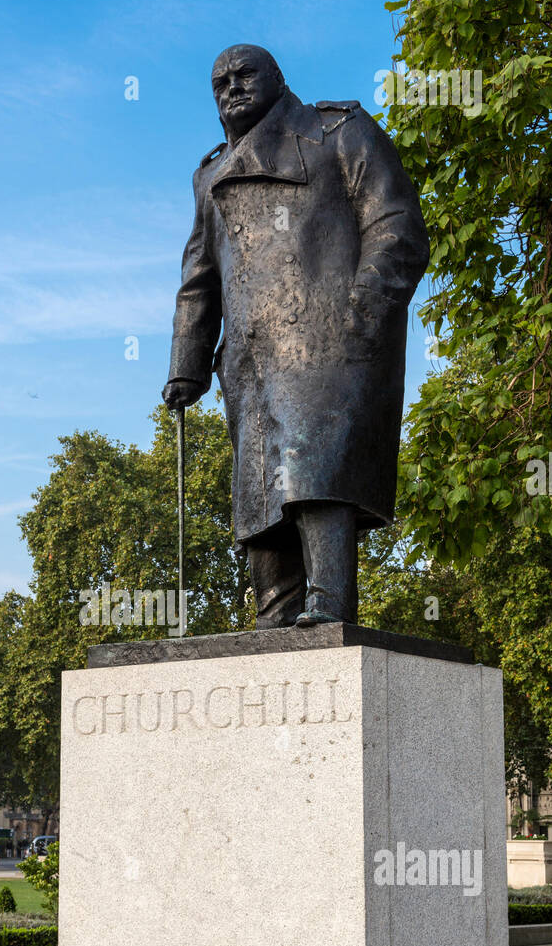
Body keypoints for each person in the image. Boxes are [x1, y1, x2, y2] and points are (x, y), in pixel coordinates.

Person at [163, 45, 429, 626]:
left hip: (333, 343)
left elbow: (397, 226)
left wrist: (363, 310)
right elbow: (200, 278)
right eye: (220, 83)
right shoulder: (210, 176)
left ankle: (329, 604)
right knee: (259, 497)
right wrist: (188, 362)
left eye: (245, 75)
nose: (232, 88)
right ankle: (274, 615)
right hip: (252, 357)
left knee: (316, 472)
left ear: (279, 79)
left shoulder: (341, 132)